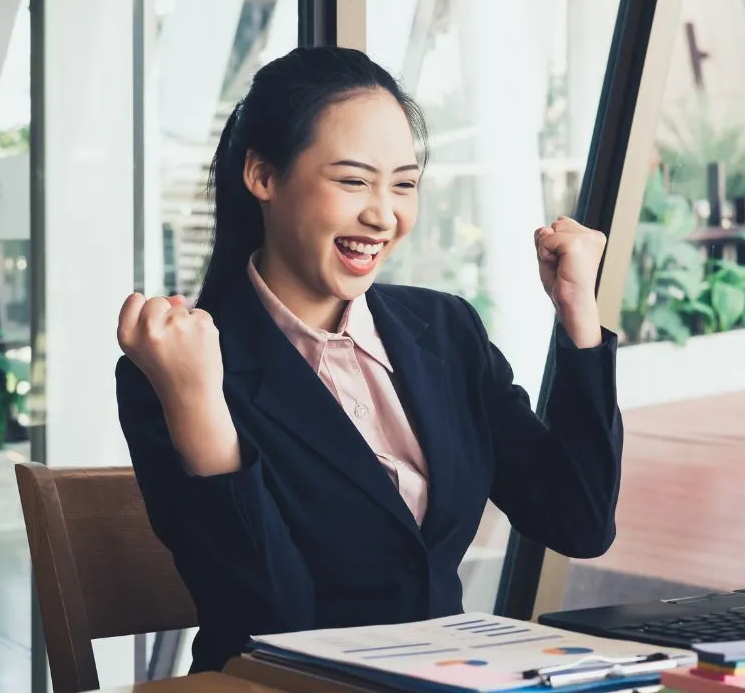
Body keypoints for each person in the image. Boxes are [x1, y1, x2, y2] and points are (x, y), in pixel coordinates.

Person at [113, 46, 623, 674]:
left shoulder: (444, 329)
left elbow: (578, 522)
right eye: (353, 180)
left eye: (404, 184)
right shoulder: (174, 366)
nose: (384, 215)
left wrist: (579, 318)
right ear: (263, 177)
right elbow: (265, 620)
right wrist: (199, 406)